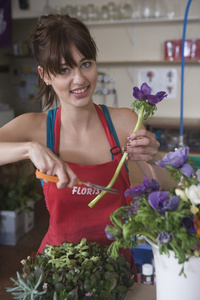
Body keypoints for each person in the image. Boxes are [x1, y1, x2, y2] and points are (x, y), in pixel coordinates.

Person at [0, 14, 175, 258]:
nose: (79, 79)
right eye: (63, 70)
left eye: (86, 64)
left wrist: (153, 156)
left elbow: (165, 190)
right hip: (58, 270)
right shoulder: (36, 128)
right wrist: (29, 149)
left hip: (116, 269)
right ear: (45, 75)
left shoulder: (124, 122)